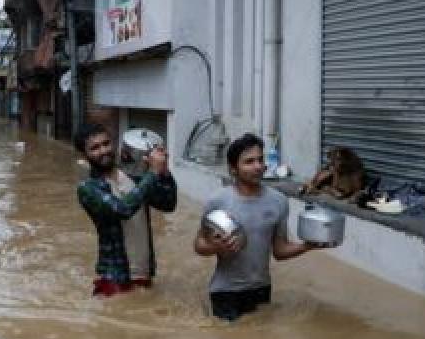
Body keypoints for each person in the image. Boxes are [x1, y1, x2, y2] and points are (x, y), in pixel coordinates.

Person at [194, 133, 325, 321]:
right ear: (233, 169)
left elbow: (279, 251)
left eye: (260, 160)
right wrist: (216, 247)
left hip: (261, 289)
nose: (258, 166)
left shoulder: (278, 201)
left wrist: (308, 246)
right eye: (249, 162)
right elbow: (199, 244)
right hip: (225, 292)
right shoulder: (218, 201)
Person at [75, 123, 177, 297]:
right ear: (85, 155)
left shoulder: (135, 177)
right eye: (95, 148)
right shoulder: (88, 189)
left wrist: (164, 172)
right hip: (114, 276)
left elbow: (168, 204)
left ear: (114, 144)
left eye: (106, 144)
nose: (103, 151)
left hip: (143, 272)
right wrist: (152, 173)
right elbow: (122, 209)